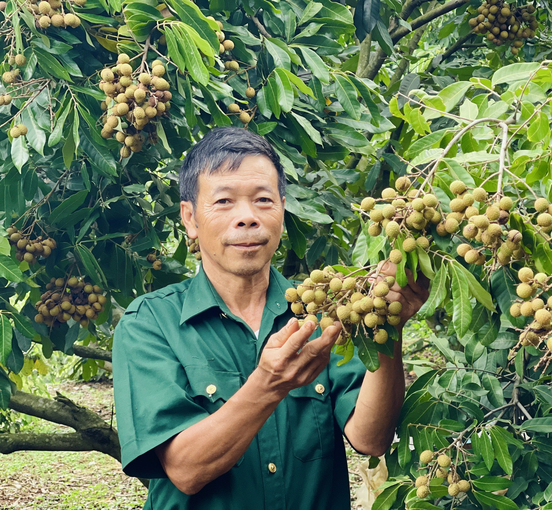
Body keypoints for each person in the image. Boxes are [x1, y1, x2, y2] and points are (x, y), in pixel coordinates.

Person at [112, 127, 429, 509]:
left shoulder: (325, 309)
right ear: (190, 218)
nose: (247, 217)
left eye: (263, 200)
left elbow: (371, 438)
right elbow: (185, 469)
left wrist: (386, 327)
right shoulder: (149, 323)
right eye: (225, 201)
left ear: (281, 208)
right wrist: (269, 385)